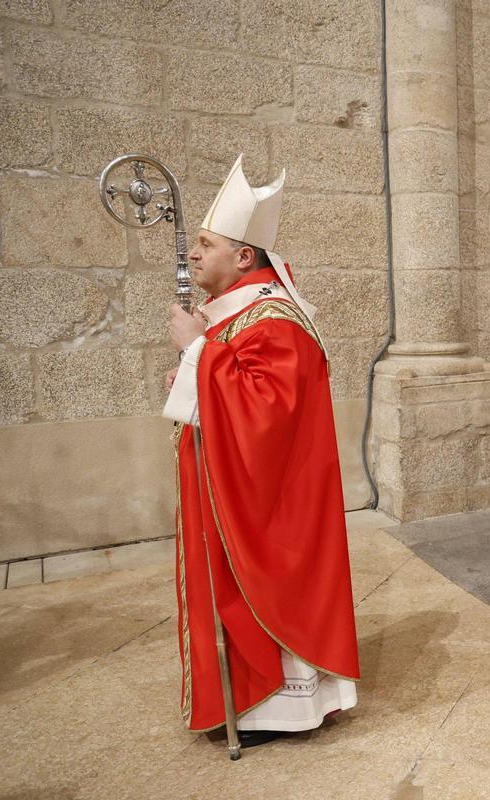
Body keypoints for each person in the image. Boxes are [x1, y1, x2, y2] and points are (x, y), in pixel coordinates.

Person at [163, 155, 359, 747]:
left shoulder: (274, 319)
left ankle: (278, 707)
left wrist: (200, 353)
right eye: (194, 245)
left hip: (271, 505)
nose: (193, 255)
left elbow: (267, 415)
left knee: (261, 587)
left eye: (205, 244)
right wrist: (198, 356)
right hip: (232, 492)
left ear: (244, 256)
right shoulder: (236, 315)